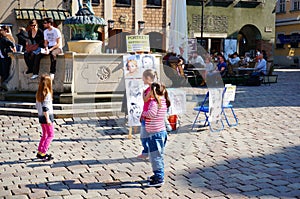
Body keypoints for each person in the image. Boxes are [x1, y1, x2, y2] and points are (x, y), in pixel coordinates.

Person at [141, 82, 170, 187]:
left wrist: (144, 114)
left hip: (155, 135)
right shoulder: (163, 100)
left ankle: (159, 178)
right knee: (158, 155)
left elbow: (151, 114)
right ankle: (158, 174)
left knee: (155, 157)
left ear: (152, 92)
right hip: (161, 133)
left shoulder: (154, 102)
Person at [138, 69, 157, 159]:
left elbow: (145, 99)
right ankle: (146, 151)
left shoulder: (153, 89)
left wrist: (143, 93)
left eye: (144, 78)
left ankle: (150, 152)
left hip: (150, 117)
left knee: (147, 136)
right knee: (143, 136)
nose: (143, 80)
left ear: (148, 78)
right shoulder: (148, 89)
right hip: (145, 115)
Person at [36, 74, 55, 161]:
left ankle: (40, 151)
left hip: (41, 117)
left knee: (44, 134)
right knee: (51, 135)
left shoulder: (39, 92)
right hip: (47, 116)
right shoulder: (47, 93)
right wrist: (48, 119)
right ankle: (43, 152)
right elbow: (45, 107)